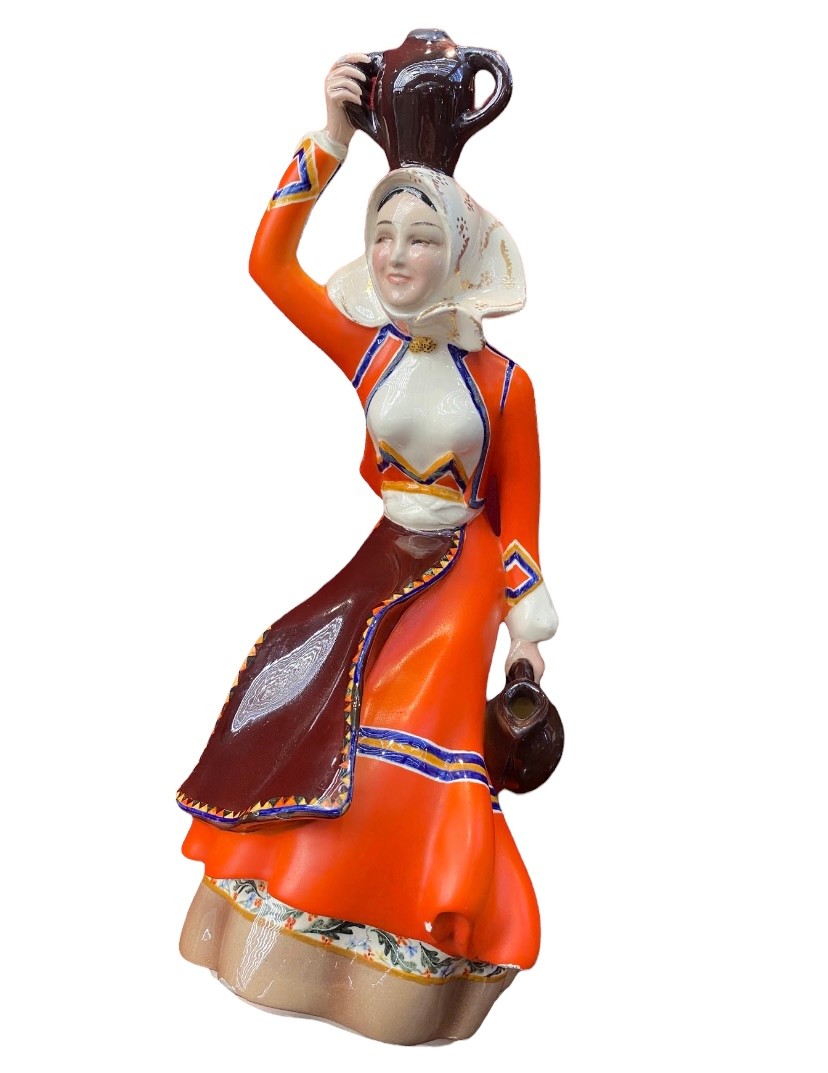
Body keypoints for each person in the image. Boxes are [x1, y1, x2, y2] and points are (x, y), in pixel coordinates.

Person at [177, 56, 558, 1045]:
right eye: (382, 234)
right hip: (384, 555)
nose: (395, 255)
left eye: (421, 237)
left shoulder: (507, 386)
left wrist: (526, 633)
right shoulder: (370, 348)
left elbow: (520, 516)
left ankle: (418, 941)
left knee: (404, 735)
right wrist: (331, 142)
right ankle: (298, 918)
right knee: (302, 681)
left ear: (460, 251)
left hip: (464, 575)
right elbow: (269, 265)